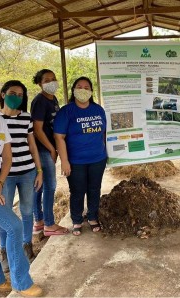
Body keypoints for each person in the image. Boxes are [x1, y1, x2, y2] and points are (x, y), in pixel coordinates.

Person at [0, 78, 42, 296]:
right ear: (4, 95)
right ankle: (21, 282)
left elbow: (7, 156)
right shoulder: (1, 117)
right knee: (13, 226)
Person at [54, 77, 107, 236]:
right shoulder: (66, 111)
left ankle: (92, 216)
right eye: (79, 86)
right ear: (74, 90)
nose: (83, 90)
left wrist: (104, 150)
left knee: (94, 189)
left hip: (98, 158)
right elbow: (59, 137)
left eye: (86, 87)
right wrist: (64, 161)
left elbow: (104, 132)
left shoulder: (98, 110)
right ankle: (76, 219)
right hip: (75, 161)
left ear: (91, 91)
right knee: (77, 190)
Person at [31, 69, 68, 236]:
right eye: (47, 80)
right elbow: (37, 130)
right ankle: (49, 224)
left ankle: (38, 221)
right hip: (43, 149)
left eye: (54, 79)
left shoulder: (52, 99)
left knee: (39, 185)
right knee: (50, 185)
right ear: (40, 83)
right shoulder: (39, 101)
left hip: (49, 148)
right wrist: (52, 149)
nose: (52, 82)